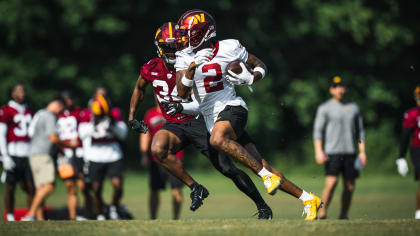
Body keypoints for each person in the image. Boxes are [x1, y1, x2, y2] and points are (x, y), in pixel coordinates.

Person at [174, 9, 321, 220]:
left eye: (188, 33)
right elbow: (182, 92)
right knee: (264, 166)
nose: (184, 38)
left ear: (203, 33)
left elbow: (260, 65)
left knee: (217, 140)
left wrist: (252, 78)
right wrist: (192, 66)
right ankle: (308, 198)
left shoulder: (229, 47)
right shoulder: (184, 57)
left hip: (232, 108)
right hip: (212, 118)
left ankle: (264, 177)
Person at [128, 22, 273, 219]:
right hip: (174, 123)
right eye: (168, 47)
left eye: (176, 46)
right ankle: (196, 187)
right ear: (159, 47)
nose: (172, 52)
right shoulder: (151, 67)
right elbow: (139, 87)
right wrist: (131, 116)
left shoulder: (191, 60)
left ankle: (262, 205)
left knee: (227, 168)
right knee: (157, 148)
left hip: (198, 119)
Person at [313, 76, 367, 219]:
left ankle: (343, 215)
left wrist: (362, 152)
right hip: (332, 152)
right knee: (331, 183)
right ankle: (322, 212)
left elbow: (360, 131)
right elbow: (317, 132)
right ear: (331, 90)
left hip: (350, 152)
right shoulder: (325, 108)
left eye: (342, 86)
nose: (340, 89)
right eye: (336, 86)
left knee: (350, 186)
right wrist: (318, 151)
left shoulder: (354, 107)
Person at [21, 97, 79, 221]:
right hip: (43, 155)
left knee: (40, 189)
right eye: (60, 110)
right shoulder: (49, 116)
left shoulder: (39, 114)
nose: (59, 113)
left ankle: (39, 219)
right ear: (57, 105)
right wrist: (70, 145)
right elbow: (53, 138)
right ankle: (30, 214)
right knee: (49, 187)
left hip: (33, 154)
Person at [79, 93, 128, 220]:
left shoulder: (115, 114)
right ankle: (100, 213)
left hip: (113, 155)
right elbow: (82, 134)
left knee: (118, 186)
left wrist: (113, 124)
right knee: (96, 189)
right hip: (95, 156)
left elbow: (123, 134)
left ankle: (113, 207)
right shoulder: (87, 115)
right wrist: (95, 122)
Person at [140, 102, 184, 220]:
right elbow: (145, 134)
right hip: (156, 159)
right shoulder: (150, 114)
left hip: (175, 157)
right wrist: (144, 154)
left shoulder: (177, 111)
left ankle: (176, 219)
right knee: (154, 190)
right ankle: (152, 218)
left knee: (177, 190)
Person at [0, 83, 35, 221]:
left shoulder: (29, 112)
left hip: (27, 153)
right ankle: (10, 215)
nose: (22, 93)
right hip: (13, 152)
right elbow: (1, 134)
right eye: (19, 91)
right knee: (10, 187)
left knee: (30, 186)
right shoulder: (6, 110)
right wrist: (4, 155)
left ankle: (30, 215)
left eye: (24, 90)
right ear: (13, 93)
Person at [56, 91, 93, 220]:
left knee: (83, 186)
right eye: (66, 99)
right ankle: (73, 217)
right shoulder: (57, 115)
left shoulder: (79, 112)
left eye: (70, 98)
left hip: (79, 153)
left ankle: (88, 214)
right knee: (70, 186)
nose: (69, 101)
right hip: (64, 154)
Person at [396, 84, 420, 219]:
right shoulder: (413, 114)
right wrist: (401, 157)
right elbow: (405, 136)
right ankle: (419, 213)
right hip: (418, 149)